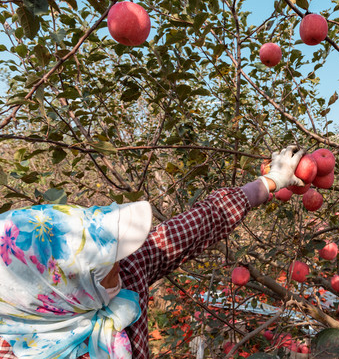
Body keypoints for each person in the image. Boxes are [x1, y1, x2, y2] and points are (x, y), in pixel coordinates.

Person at [0, 146, 305, 358]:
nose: (118, 259)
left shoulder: (127, 271)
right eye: (101, 262)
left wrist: (269, 182)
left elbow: (199, 224)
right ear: (60, 297)